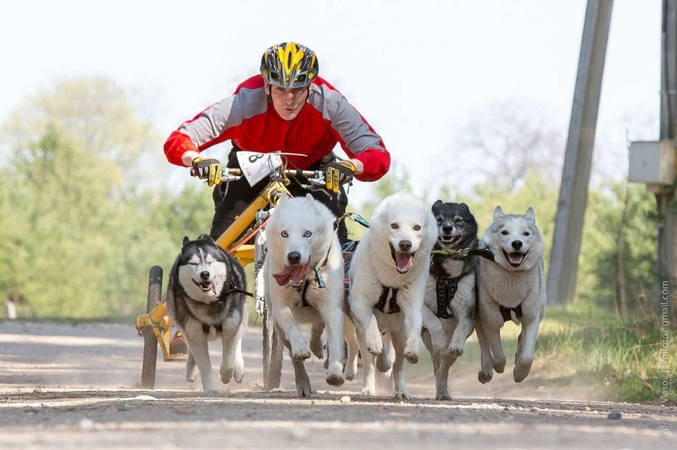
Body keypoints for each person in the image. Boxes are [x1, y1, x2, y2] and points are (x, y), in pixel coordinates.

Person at [163, 42, 390, 244]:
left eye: (298, 89)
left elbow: (377, 155)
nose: (289, 99)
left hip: (314, 170)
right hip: (251, 169)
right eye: (281, 89)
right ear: (267, 85)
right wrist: (197, 159)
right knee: (218, 249)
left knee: (337, 251)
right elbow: (180, 139)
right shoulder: (244, 102)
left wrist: (351, 166)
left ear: (310, 86)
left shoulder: (330, 103)